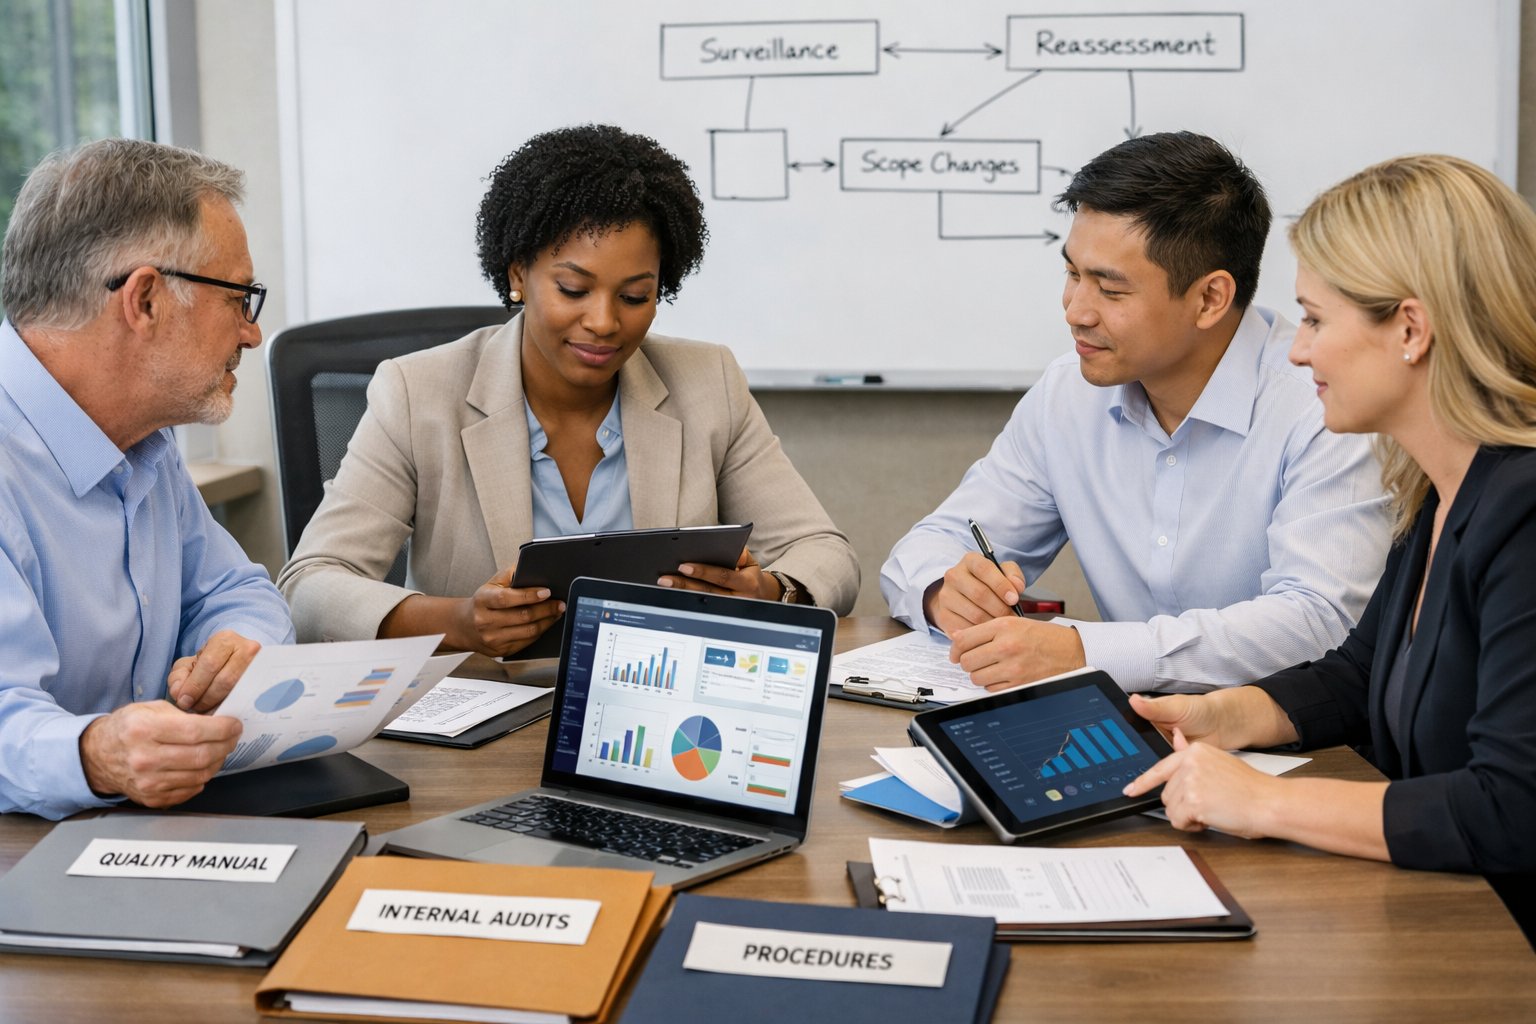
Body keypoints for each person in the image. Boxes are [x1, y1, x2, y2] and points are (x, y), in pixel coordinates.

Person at [1125, 154, 1536, 943]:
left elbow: (1511, 807)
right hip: (1444, 929)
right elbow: (1360, 676)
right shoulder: (1443, 488)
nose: (1297, 351)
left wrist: (1262, 800)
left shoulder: (1526, 513)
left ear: (1411, 329)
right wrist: (1224, 715)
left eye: (1315, 319)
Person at [278, 125, 858, 654]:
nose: (605, 322)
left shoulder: (707, 383)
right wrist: (459, 622)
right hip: (478, 726)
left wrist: (769, 593)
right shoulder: (417, 392)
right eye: (574, 289)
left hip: (654, 708)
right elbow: (310, 586)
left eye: (635, 297)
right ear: (517, 276)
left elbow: (827, 555)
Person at [881, 131, 1390, 694]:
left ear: (1210, 299)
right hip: (1128, 733)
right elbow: (932, 543)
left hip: (1299, 747)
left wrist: (1086, 652)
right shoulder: (1068, 396)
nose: (1075, 310)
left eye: (1110, 289)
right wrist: (941, 590)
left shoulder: (1321, 403)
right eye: (1073, 273)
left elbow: (1318, 621)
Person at [0, 139, 294, 818]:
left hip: (144, 834)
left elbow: (236, 590)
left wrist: (236, 647)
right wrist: (96, 754)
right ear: (146, 299)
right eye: (240, 299)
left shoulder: (140, 441)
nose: (252, 336)